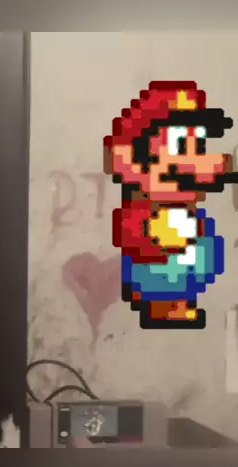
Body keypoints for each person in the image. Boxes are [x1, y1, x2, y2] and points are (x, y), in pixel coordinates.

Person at [104, 81, 237, 329]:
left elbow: (197, 166)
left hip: (180, 223)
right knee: (166, 266)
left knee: (200, 254)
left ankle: (178, 301)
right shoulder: (144, 164)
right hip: (158, 227)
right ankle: (164, 304)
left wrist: (220, 166)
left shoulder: (183, 150)